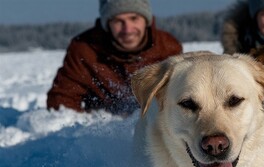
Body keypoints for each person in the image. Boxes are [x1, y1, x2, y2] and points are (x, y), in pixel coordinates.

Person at [47, 0, 182, 115]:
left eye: (134, 18)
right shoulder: (84, 49)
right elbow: (62, 100)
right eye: (118, 21)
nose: (127, 29)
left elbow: (178, 99)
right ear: (107, 23)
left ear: (146, 19)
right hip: (100, 129)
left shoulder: (168, 48)